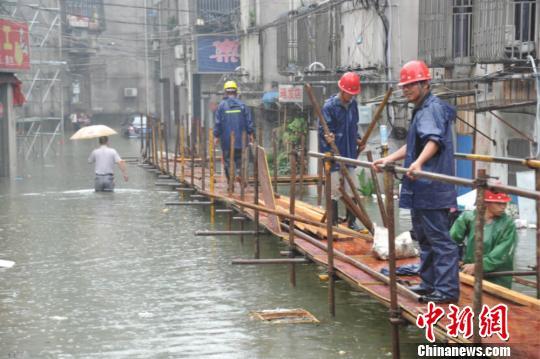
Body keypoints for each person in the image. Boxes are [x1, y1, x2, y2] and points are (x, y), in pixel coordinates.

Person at [372, 60, 459, 304]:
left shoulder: (430, 109)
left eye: (411, 84)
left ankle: (447, 291)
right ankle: (430, 283)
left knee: (440, 240)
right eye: (405, 85)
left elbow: (433, 141)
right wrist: (387, 159)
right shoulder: (421, 109)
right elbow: (414, 146)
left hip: (432, 189)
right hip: (421, 190)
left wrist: (419, 163)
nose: (406, 89)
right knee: (425, 239)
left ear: (425, 83)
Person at [319, 71, 364, 230]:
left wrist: (358, 139)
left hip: (349, 152)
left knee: (353, 188)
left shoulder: (353, 105)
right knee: (334, 190)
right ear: (342, 90)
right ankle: (333, 223)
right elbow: (323, 130)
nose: (350, 97)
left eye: (353, 94)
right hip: (333, 154)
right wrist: (328, 137)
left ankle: (352, 222)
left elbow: (353, 126)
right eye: (348, 93)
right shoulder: (329, 106)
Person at [450, 189, 517, 289]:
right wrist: (456, 258)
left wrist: (479, 265)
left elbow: (502, 252)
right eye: (499, 203)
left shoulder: (508, 223)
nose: (503, 207)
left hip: (497, 276)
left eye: (505, 203)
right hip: (469, 271)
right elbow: (452, 240)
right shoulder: (468, 217)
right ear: (486, 203)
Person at [214, 80, 254, 186]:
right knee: (241, 160)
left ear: (225, 92)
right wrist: (250, 134)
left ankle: (230, 182)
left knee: (228, 162)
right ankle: (242, 178)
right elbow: (249, 121)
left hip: (227, 141)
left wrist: (216, 136)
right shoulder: (242, 105)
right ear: (236, 91)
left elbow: (218, 123)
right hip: (241, 140)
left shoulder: (221, 106)